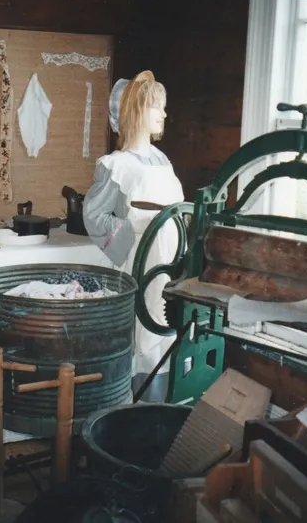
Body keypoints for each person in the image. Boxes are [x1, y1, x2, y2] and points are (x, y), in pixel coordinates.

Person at [82, 70, 184, 381]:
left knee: (167, 327)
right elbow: (94, 217)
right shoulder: (116, 165)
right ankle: (134, 406)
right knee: (143, 333)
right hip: (140, 259)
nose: (164, 113)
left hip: (171, 260)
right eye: (157, 106)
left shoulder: (162, 160)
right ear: (137, 111)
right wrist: (135, 226)